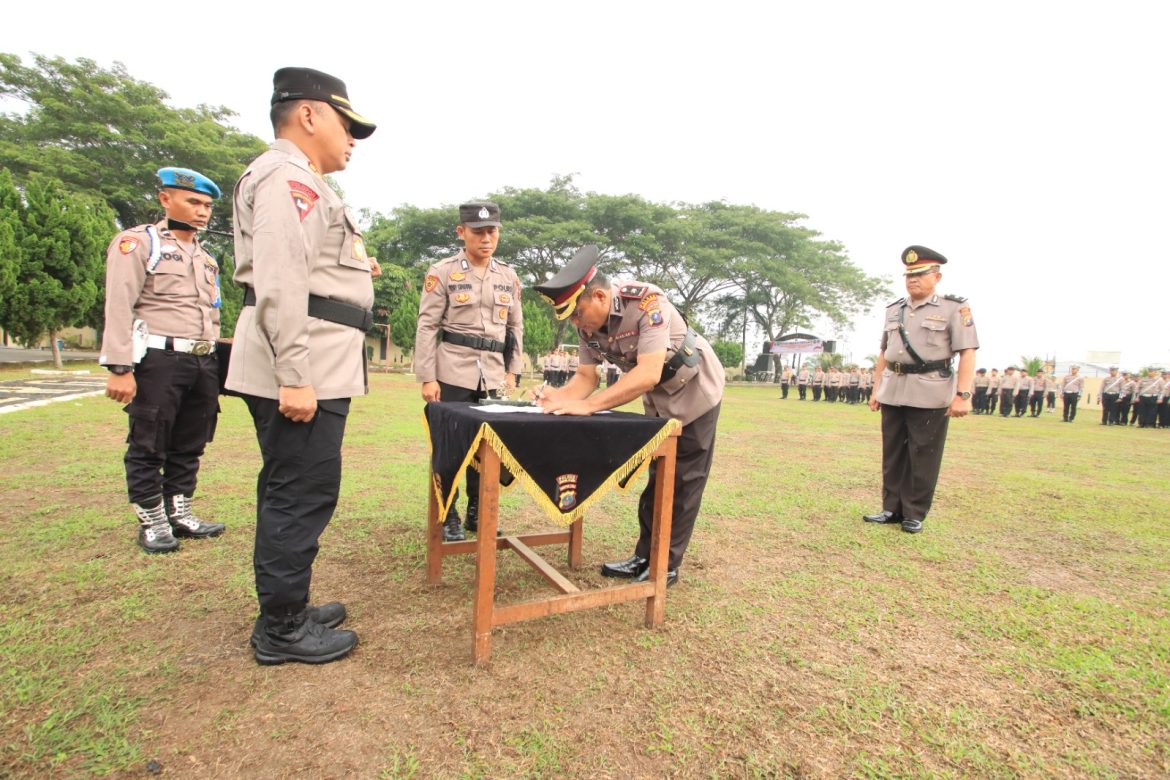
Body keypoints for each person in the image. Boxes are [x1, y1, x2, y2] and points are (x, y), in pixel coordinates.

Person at [226, 66, 377, 665]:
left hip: (316, 360)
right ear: (309, 115)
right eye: (347, 125)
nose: (352, 141)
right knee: (299, 492)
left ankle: (290, 605)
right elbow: (282, 280)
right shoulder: (289, 180)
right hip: (303, 363)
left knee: (298, 487)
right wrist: (294, 374)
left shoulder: (300, 182)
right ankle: (282, 629)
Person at [532, 245, 725, 586]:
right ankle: (643, 555)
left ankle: (665, 564)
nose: (577, 324)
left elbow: (648, 372)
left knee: (684, 481)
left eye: (578, 314)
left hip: (696, 390)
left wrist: (590, 406)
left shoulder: (648, 302)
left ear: (601, 297)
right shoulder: (586, 325)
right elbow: (585, 378)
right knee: (657, 479)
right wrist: (556, 399)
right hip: (660, 399)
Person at [100, 167, 228, 554]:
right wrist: (120, 367)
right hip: (160, 357)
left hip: (202, 360)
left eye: (207, 205)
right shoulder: (139, 243)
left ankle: (180, 509)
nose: (202, 211)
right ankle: (152, 520)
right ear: (164, 199)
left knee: (191, 440)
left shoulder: (206, 258)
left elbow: (212, 313)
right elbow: (119, 304)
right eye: (193, 202)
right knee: (149, 441)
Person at [415, 202, 525, 541]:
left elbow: (515, 326)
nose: (486, 238)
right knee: (450, 447)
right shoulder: (443, 271)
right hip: (453, 371)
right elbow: (427, 324)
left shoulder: (508, 275)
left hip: (493, 375)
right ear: (461, 232)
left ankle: (480, 511)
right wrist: (427, 376)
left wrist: (513, 371)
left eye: (492, 231)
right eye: (478, 232)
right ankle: (449, 514)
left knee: (489, 447)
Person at [863, 245, 978, 534]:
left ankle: (914, 512)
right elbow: (884, 352)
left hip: (930, 391)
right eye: (909, 275)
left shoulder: (954, 308)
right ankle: (891, 508)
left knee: (923, 453)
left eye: (920, 274)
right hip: (893, 388)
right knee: (892, 453)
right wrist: (876, 388)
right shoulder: (894, 310)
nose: (912, 279)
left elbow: (967, 352)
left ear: (936, 277)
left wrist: (963, 394)